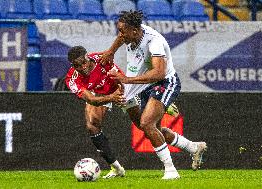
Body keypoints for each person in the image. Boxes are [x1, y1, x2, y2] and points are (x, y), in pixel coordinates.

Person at [100, 10, 207, 179]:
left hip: (164, 82)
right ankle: (193, 147)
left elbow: (159, 73)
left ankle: (171, 171)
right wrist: (111, 51)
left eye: (122, 31)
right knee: (148, 128)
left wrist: (127, 79)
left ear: (134, 31)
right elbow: (121, 38)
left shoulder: (154, 41)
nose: (120, 35)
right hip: (145, 84)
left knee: (147, 123)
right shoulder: (131, 33)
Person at [65, 46, 126, 179]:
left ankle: (157, 101)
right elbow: (91, 99)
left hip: (120, 88)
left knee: (144, 124)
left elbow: (121, 77)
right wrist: (111, 98)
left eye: (84, 62)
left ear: (88, 57)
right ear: (72, 65)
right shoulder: (72, 79)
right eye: (77, 65)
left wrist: (121, 93)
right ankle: (116, 168)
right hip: (101, 94)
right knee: (92, 125)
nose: (82, 67)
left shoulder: (102, 59)